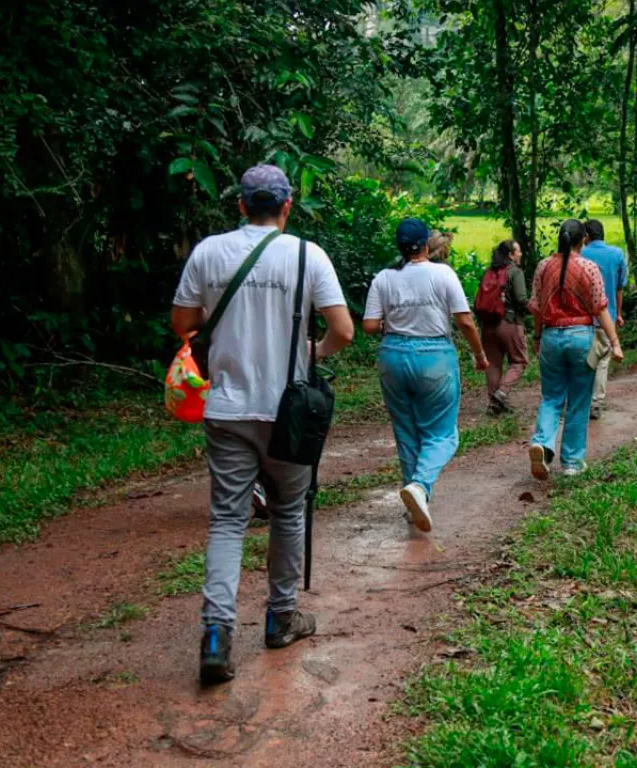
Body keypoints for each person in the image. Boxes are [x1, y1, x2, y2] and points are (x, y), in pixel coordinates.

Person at [171, 165, 355, 685]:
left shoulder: (209, 252)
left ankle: (215, 634)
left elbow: (182, 324)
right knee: (288, 511)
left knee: (227, 520)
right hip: (288, 411)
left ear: (240, 205)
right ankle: (280, 617)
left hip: (227, 409)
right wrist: (312, 352)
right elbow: (343, 330)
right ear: (287, 206)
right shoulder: (306, 255)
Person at [363, 218, 488, 534]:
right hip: (433, 357)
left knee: (407, 431)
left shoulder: (384, 279)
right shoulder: (442, 274)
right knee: (443, 434)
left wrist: (394, 325)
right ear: (425, 246)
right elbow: (465, 321)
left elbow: (369, 325)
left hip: (392, 356)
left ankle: (414, 500)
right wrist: (479, 354)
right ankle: (419, 486)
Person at [527, 220, 623, 479]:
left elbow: (536, 307)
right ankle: (571, 462)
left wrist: (537, 336)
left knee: (551, 397)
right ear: (584, 241)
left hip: (550, 336)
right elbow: (600, 308)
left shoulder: (543, 266)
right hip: (581, 337)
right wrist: (614, 342)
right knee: (579, 401)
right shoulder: (589, 268)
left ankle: (542, 442)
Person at [581, 219, 626, 419]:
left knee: (583, 358)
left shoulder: (579, 254)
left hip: (582, 318)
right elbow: (619, 288)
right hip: (608, 316)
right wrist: (619, 314)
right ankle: (596, 402)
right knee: (603, 360)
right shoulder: (617, 254)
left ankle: (580, 400)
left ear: (586, 237)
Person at [477, 239, 528, 414]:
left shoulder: (489, 272)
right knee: (519, 361)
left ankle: (494, 404)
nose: (520, 254)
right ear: (511, 255)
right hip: (509, 322)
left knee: (492, 364)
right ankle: (502, 392)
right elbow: (521, 299)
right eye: (518, 251)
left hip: (488, 325)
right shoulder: (515, 272)